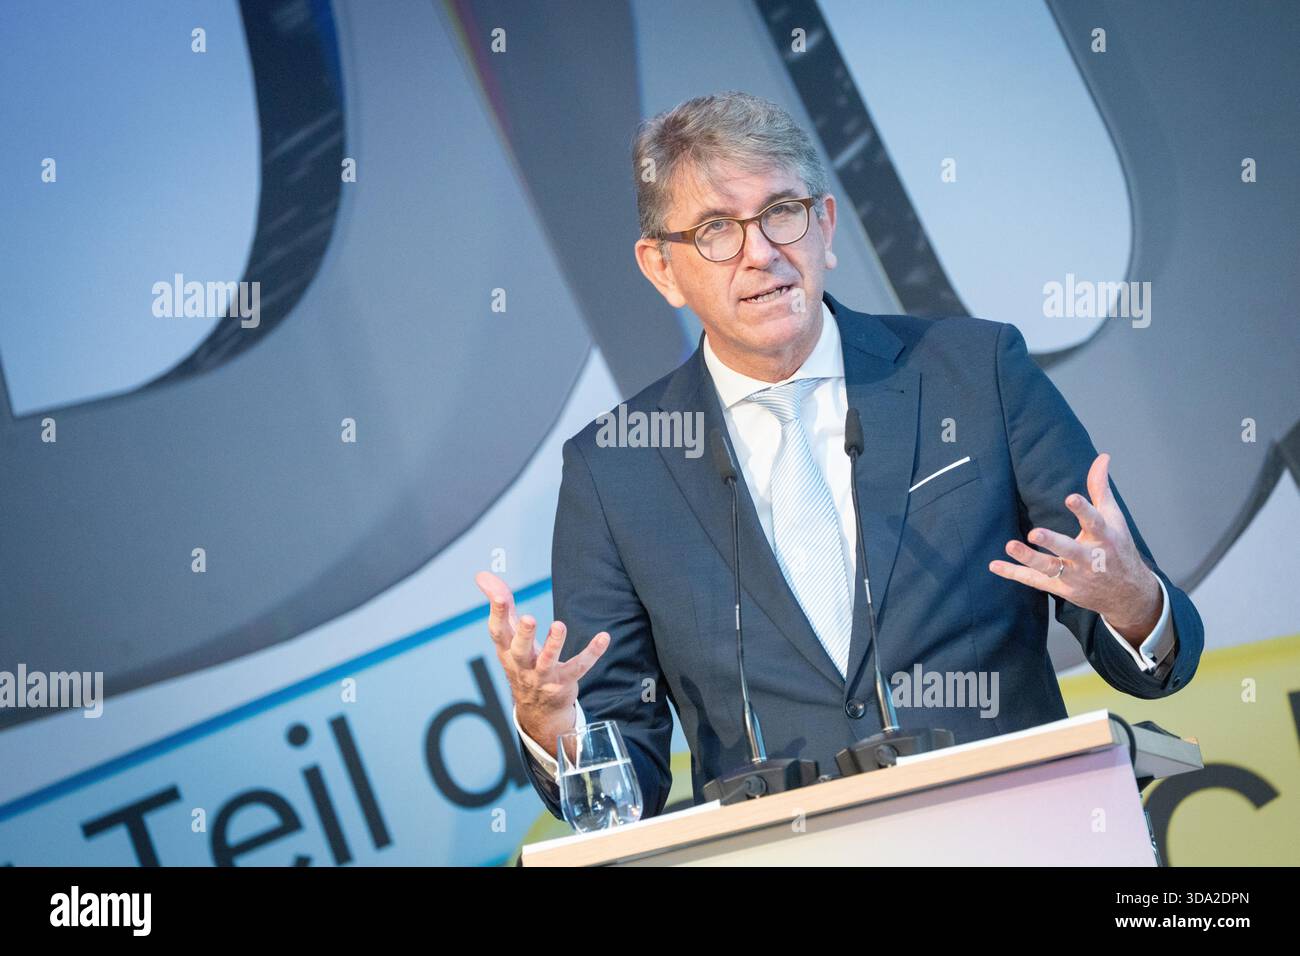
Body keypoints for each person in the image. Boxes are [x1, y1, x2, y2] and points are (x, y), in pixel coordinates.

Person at [476, 91, 1202, 820]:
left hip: (1019, 827)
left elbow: (1151, 661)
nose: (760, 253)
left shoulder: (975, 373)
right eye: (716, 230)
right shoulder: (615, 469)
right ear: (662, 268)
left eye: (781, 213)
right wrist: (552, 728)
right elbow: (623, 776)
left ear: (824, 226)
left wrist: (1134, 604)